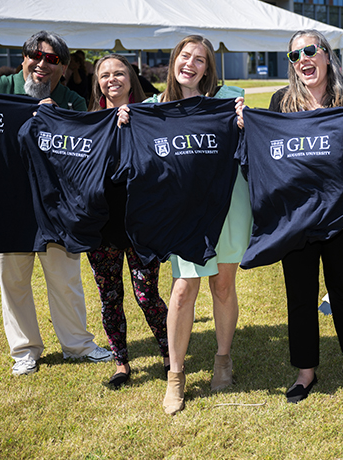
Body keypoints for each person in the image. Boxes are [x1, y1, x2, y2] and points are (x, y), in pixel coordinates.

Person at [0, 31, 112, 375]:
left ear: (64, 68)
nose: (42, 64)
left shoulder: (71, 101)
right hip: (4, 203)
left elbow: (83, 152)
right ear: (23, 58)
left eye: (52, 59)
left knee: (65, 279)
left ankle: (78, 344)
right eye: (35, 55)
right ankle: (25, 350)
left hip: (56, 207)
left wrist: (56, 120)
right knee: (12, 282)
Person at [122, 35, 249, 414]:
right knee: (182, 290)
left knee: (223, 283)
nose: (190, 64)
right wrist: (125, 122)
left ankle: (223, 359)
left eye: (200, 60)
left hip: (229, 202)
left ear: (208, 69)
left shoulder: (229, 99)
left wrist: (245, 120)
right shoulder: (151, 109)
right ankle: (175, 377)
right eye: (185, 56)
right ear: (174, 60)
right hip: (182, 209)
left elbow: (252, 139)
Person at [255, 29, 343, 403]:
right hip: (296, 218)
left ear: (326, 55)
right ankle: (305, 371)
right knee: (301, 295)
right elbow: (269, 151)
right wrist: (247, 127)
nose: (303, 60)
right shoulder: (281, 101)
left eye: (310, 51)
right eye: (295, 55)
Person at [86, 54, 170, 389]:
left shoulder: (148, 117)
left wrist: (134, 125)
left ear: (131, 78)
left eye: (119, 73)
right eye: (105, 75)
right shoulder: (88, 122)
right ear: (98, 83)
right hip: (101, 225)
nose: (112, 80)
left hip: (140, 222)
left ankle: (170, 353)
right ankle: (121, 362)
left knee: (147, 295)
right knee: (110, 297)